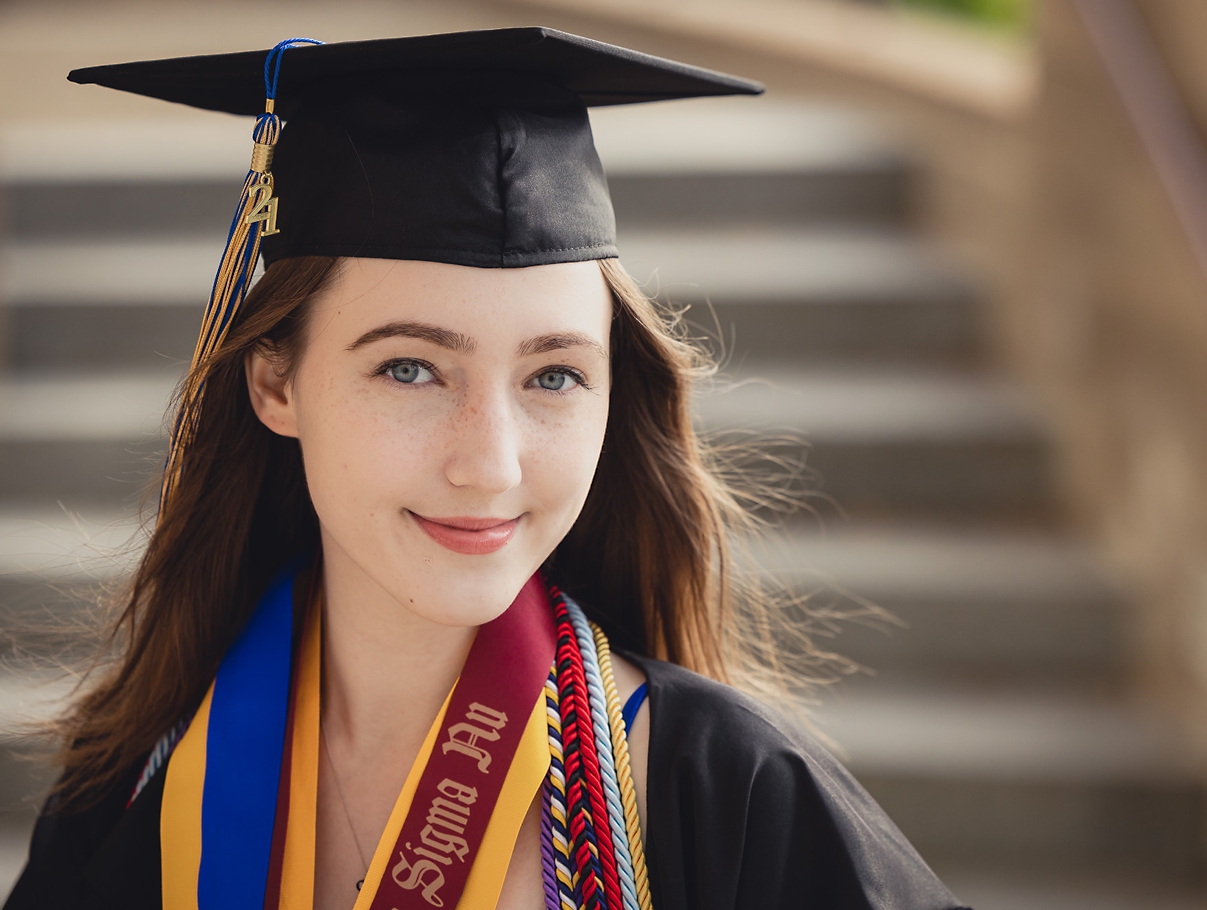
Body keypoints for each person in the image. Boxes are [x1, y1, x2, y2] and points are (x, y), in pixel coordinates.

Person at [5, 29, 966, 910]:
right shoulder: (135, 793)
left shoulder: (731, 798)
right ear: (276, 383)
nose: (490, 463)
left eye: (553, 375)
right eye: (411, 368)